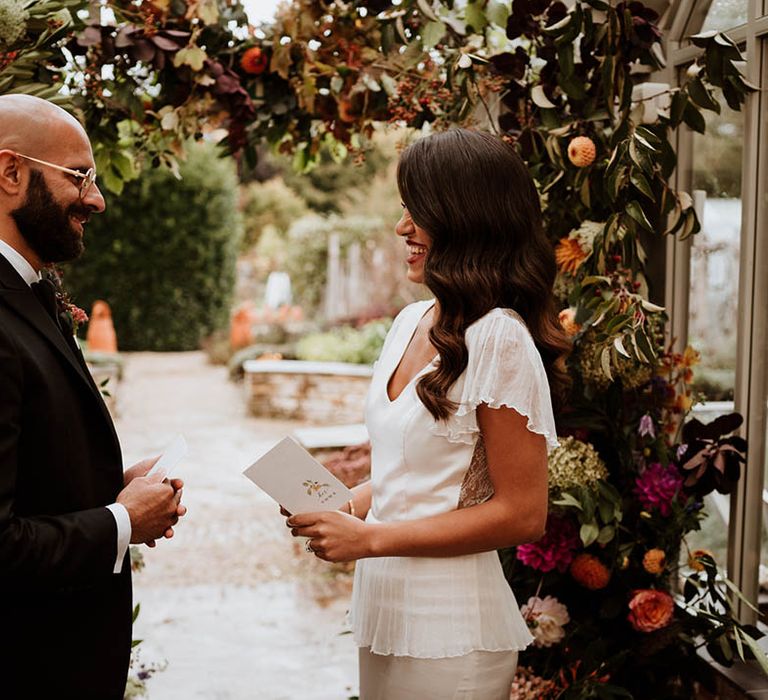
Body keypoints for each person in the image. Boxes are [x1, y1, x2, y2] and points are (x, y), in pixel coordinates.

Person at [286, 129, 569, 699]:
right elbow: (413, 474)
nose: (402, 227)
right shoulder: (408, 322)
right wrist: (344, 505)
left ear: (466, 218)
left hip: (453, 627)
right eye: (403, 209)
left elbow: (522, 514)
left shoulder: (500, 340)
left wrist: (369, 539)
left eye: (418, 211)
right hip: (384, 609)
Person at [0, 94, 187, 699]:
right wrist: (122, 521)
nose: (97, 199)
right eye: (78, 175)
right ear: (10, 173)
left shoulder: (30, 293)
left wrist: (107, 482)